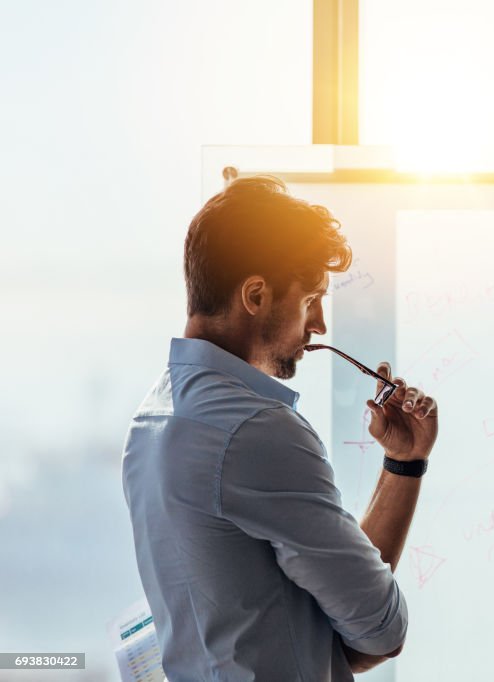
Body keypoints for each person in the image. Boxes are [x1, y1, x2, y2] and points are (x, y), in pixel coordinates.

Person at [121, 175, 438, 681]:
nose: (320, 326)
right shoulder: (257, 432)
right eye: (311, 298)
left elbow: (328, 623)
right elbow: (379, 632)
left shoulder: (151, 420)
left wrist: (402, 463)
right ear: (255, 294)